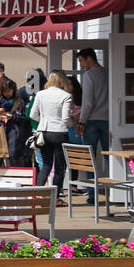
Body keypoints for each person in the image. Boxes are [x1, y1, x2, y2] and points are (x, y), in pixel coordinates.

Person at [29, 71, 74, 200]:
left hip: (44, 132)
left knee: (46, 165)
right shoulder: (66, 96)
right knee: (60, 167)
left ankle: (37, 193)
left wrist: (42, 122)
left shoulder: (40, 94)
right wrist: (73, 122)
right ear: (62, 81)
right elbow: (66, 118)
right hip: (60, 132)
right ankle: (55, 198)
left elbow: (32, 115)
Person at [76, 48, 110, 185]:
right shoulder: (109, 72)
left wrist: (82, 122)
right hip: (109, 119)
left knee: (90, 157)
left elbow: (88, 102)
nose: (81, 65)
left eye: (81, 61)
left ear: (89, 58)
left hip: (91, 120)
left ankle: (92, 192)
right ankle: (115, 189)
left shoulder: (89, 75)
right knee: (110, 157)